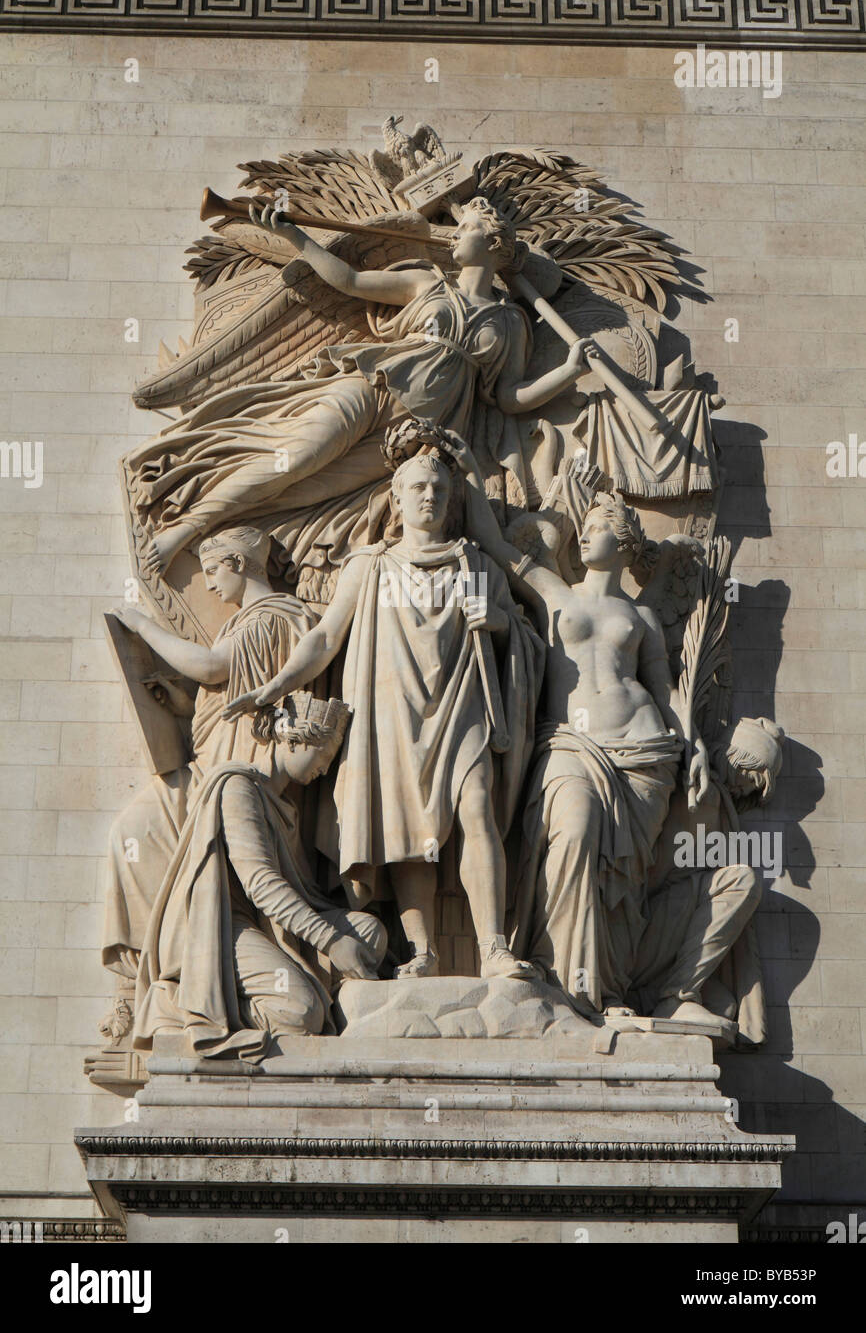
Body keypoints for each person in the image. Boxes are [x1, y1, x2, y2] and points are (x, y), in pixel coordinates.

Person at [127, 197, 590, 580]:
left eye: (464, 227)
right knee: (300, 456)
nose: (452, 234)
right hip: (373, 386)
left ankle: (229, 527)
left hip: (414, 435)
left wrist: (568, 371)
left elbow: (507, 398)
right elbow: (349, 281)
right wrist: (297, 238)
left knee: (314, 489)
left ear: (491, 243)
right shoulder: (426, 283)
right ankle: (185, 528)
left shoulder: (510, 322)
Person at [223, 439, 544, 981]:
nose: (430, 495)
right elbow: (326, 637)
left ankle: (493, 947)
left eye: (440, 487)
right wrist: (273, 687)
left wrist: (502, 622)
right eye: (417, 486)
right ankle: (423, 951)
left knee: (478, 807)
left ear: (453, 499)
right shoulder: (370, 565)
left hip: (461, 707)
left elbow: (531, 639)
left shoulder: (478, 563)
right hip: (391, 712)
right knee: (404, 831)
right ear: (396, 499)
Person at [448, 428, 711, 1017]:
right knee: (573, 832)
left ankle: (607, 989)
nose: (585, 535)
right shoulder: (556, 594)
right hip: (572, 742)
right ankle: (561, 976)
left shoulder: (640, 613)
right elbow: (497, 544)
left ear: (621, 542)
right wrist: (468, 466)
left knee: (617, 877)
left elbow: (665, 688)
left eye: (594, 529)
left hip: (643, 751)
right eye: (585, 529)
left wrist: (692, 746)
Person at [102, 525, 383, 1061]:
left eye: (212, 570)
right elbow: (223, 686)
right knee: (135, 835)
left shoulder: (268, 617)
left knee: (369, 932)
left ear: (239, 562)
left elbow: (216, 669)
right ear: (293, 736)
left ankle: (206, 979)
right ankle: (165, 994)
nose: (208, 584)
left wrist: (142, 625)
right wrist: (185, 705)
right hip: (220, 780)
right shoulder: (246, 783)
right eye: (319, 757)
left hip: (219, 777)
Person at [630, 716, 785, 1045]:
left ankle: (654, 995)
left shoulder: (713, 798)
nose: (748, 789)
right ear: (737, 757)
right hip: (638, 926)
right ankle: (674, 995)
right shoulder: (702, 793)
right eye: (751, 777)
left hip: (656, 922)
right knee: (742, 880)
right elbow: (660, 873)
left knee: (723, 1004)